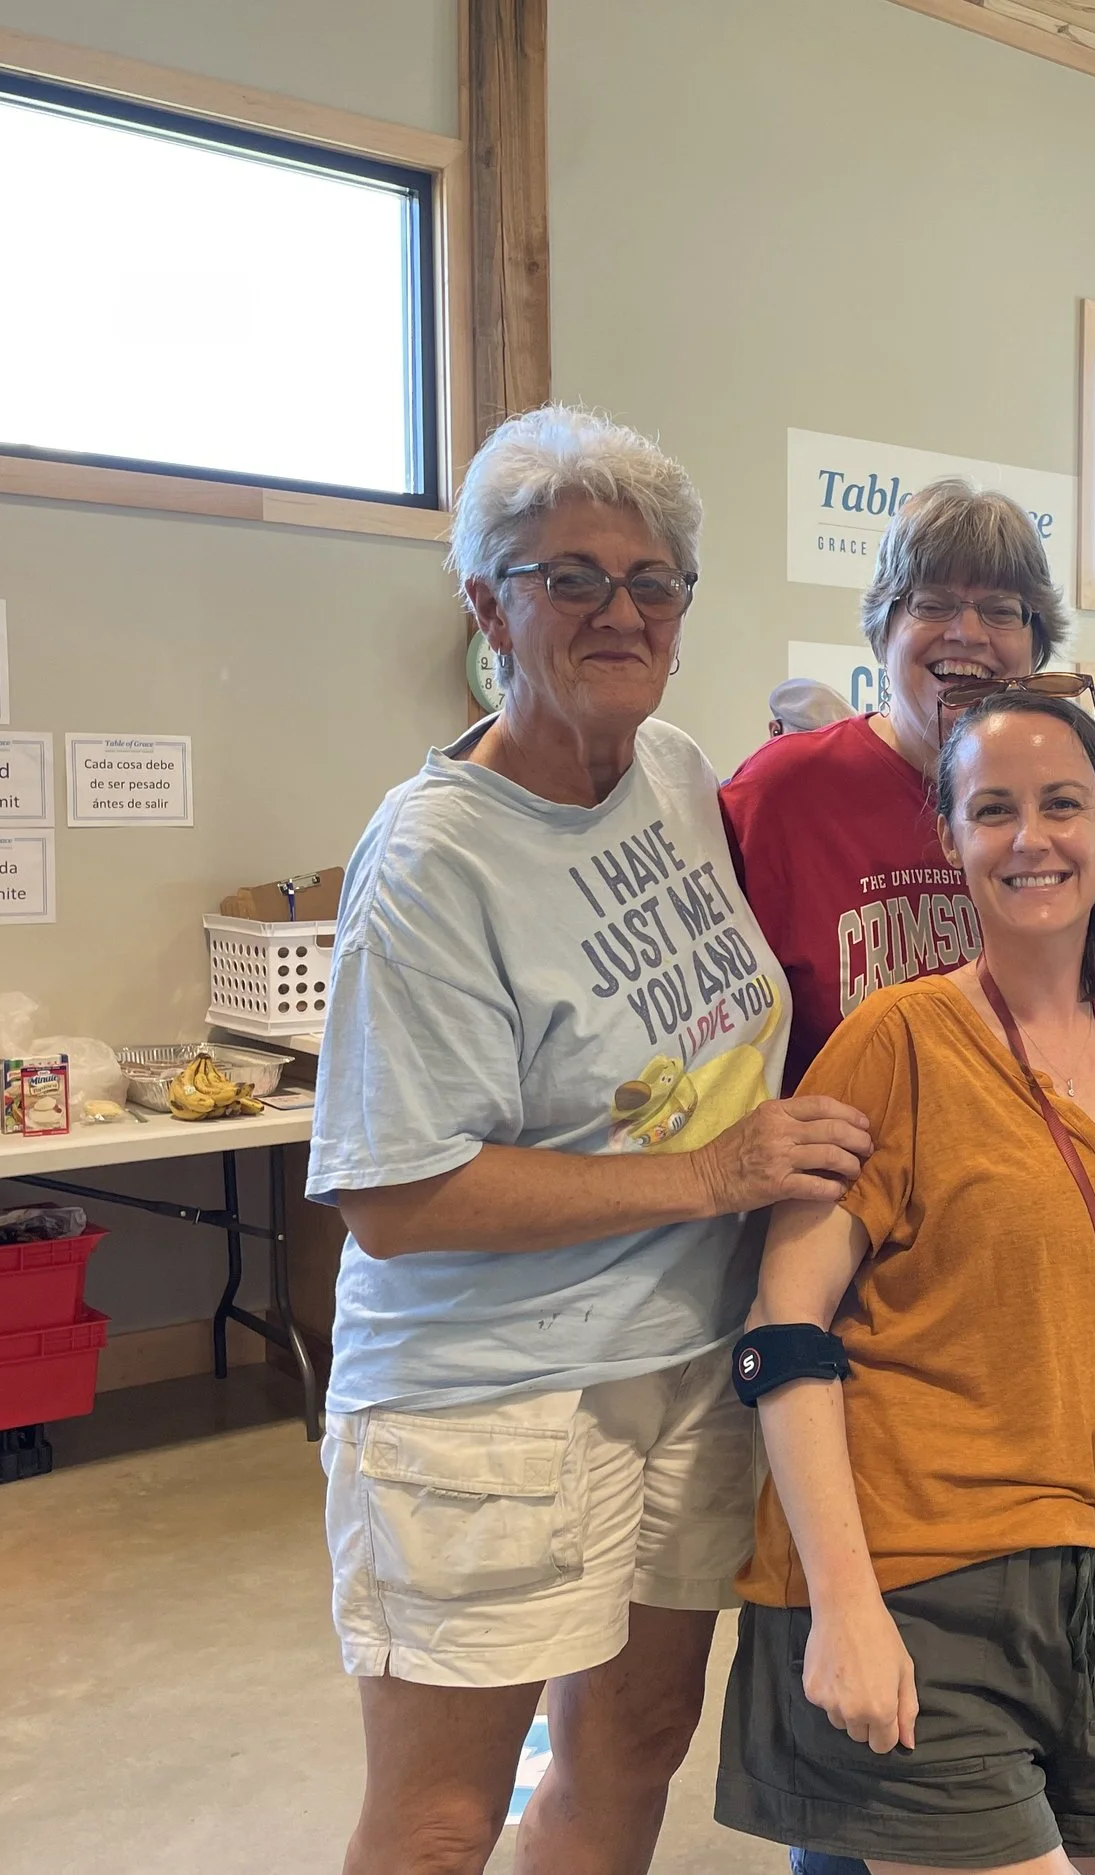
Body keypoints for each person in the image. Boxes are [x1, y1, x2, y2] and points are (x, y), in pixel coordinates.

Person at [307, 404, 874, 1875]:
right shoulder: (432, 859)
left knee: (631, 1747)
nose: (619, 612)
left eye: (651, 582)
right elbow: (397, 1197)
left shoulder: (673, 772)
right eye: (569, 577)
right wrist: (714, 1173)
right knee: (441, 1818)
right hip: (489, 1400)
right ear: (487, 604)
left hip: (686, 1359)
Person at [714, 691, 1095, 1874]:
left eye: (1061, 804)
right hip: (914, 1590)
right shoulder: (895, 1039)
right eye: (993, 811)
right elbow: (785, 1329)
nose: (1031, 839)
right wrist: (844, 1608)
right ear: (951, 839)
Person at [722, 478, 1077, 1086]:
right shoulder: (782, 794)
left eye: (1001, 609)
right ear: (883, 629)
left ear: (1035, 646)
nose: (968, 633)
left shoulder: (1066, 807)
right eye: (933, 604)